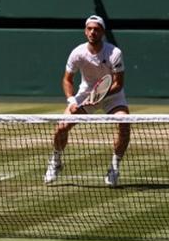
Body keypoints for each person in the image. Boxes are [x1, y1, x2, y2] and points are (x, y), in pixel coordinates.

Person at [44, 15, 130, 187]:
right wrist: (71, 101)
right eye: (89, 28)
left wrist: (99, 96)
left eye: (96, 29)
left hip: (112, 96)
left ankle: (114, 167)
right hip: (85, 95)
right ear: (85, 31)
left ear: (102, 32)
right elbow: (67, 79)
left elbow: (118, 84)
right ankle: (56, 161)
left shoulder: (114, 53)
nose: (92, 32)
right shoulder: (77, 53)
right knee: (62, 127)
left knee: (124, 123)